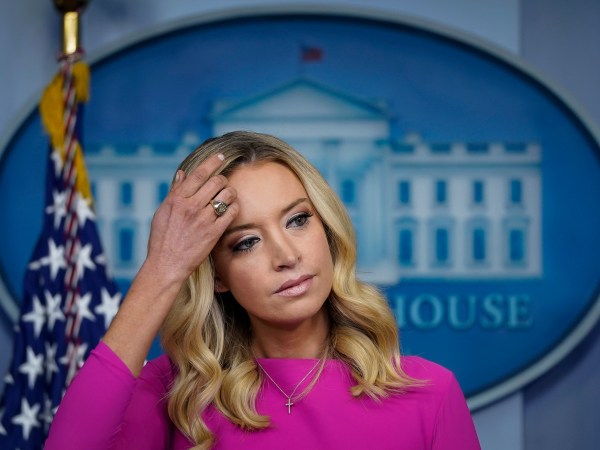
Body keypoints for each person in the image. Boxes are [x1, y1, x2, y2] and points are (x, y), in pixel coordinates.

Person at [45, 131, 480, 450]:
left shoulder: (429, 394)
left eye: (298, 220)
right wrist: (163, 268)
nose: (286, 255)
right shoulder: (175, 395)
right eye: (246, 242)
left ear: (327, 229)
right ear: (216, 275)